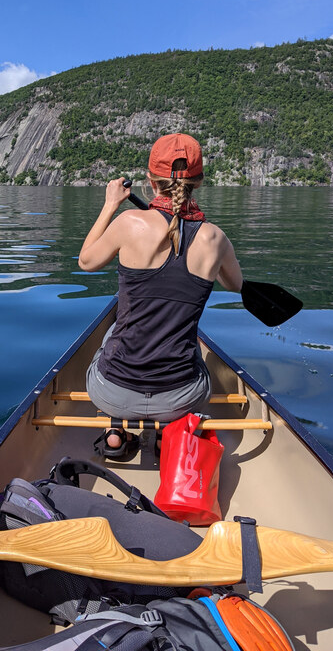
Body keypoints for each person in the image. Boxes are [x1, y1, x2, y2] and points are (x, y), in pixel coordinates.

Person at [78, 133, 243, 458]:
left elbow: (86, 261)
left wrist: (111, 204)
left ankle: (115, 430)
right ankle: (171, 432)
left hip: (112, 393)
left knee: (112, 330)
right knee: (191, 346)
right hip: (182, 397)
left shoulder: (129, 223)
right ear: (199, 181)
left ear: (150, 181)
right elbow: (236, 285)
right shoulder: (215, 238)